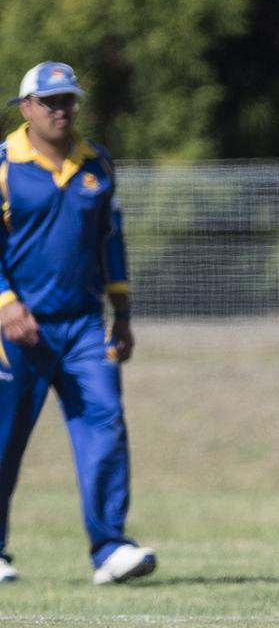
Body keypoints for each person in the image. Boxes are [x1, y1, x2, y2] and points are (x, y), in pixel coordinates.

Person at [0, 62, 155, 585]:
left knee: (105, 423)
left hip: (86, 327)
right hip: (15, 331)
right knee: (3, 439)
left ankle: (110, 549)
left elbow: (111, 242)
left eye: (69, 100)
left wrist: (124, 313)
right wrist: (5, 304)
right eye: (50, 102)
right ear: (26, 108)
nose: (62, 110)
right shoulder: (3, 165)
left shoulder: (98, 162)